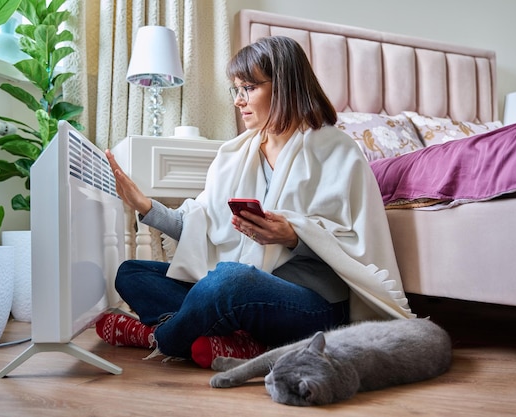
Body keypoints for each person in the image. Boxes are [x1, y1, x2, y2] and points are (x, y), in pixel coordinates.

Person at [96, 35, 414, 368]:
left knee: (230, 281)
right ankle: (235, 341)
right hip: (241, 295)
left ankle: (161, 337)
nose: (238, 100)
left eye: (248, 88)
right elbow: (200, 226)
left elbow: (356, 248)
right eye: (235, 89)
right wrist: (143, 205)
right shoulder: (234, 155)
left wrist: (292, 237)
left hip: (313, 304)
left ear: (284, 86)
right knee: (132, 273)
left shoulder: (338, 151)